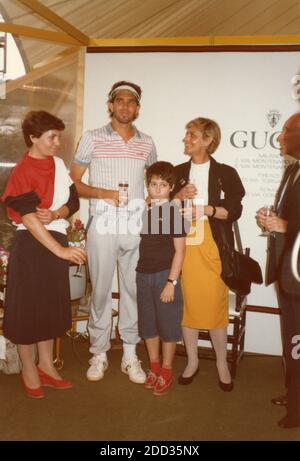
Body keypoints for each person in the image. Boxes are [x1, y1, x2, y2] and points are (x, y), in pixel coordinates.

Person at [70, 81, 157, 384]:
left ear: (137, 108)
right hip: (103, 222)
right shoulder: (92, 138)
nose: (124, 106)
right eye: (119, 101)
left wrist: (151, 200)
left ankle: (131, 354)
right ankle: (99, 352)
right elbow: (75, 183)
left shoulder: (147, 142)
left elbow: (155, 182)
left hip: (135, 225)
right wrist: (102, 192)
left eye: (130, 102)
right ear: (110, 105)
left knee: (133, 290)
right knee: (102, 291)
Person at [1, 111, 86, 398]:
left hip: (55, 240)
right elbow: (29, 219)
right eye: (51, 137)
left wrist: (58, 212)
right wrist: (61, 250)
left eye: (58, 136)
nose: (57, 142)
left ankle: (47, 367)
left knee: (50, 308)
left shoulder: (59, 164)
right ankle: (29, 369)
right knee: (27, 312)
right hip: (32, 246)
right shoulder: (23, 171)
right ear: (33, 138)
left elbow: (72, 200)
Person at [172, 117, 245, 390]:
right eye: (186, 134)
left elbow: (234, 211)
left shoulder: (226, 173)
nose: (186, 140)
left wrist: (205, 209)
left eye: (192, 135)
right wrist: (177, 195)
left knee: (215, 305)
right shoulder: (177, 171)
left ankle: (221, 363)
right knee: (187, 305)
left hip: (213, 246)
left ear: (207, 140)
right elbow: (159, 207)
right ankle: (192, 361)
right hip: (182, 246)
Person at [256, 112, 300, 428]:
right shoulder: (293, 170)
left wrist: (285, 224)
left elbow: (292, 222)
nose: (280, 136)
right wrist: (271, 218)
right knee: (292, 338)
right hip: (287, 270)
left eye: (286, 130)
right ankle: (294, 391)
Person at [136, 161, 187, 396]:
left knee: (168, 326)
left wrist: (171, 282)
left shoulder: (173, 213)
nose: (157, 189)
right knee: (147, 324)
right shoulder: (145, 210)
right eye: (153, 184)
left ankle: (166, 369)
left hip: (164, 276)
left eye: (163, 185)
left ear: (171, 187)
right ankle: (154, 366)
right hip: (143, 274)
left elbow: (180, 251)